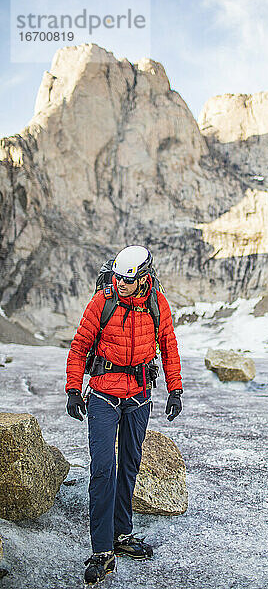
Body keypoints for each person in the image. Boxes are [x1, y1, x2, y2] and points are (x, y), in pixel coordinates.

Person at [65, 245, 183, 585]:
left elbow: (169, 345)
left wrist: (176, 389)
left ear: (143, 278)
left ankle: (122, 533)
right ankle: (102, 551)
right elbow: (79, 346)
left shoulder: (156, 303)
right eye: (117, 278)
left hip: (140, 395)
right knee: (103, 468)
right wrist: (74, 389)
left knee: (130, 464)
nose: (121, 284)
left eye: (127, 281)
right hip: (104, 394)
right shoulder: (103, 302)